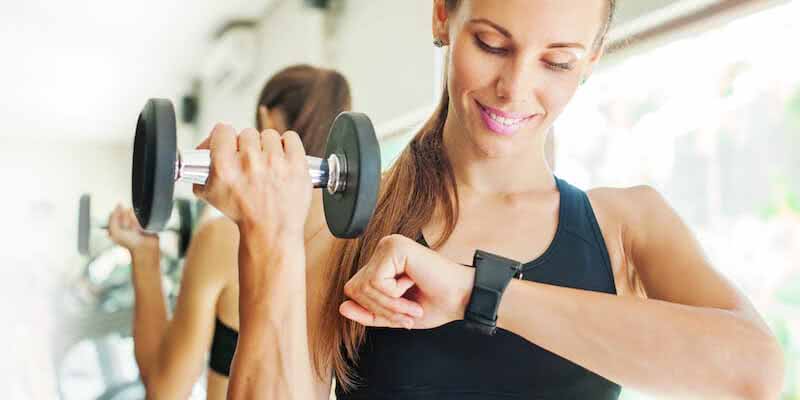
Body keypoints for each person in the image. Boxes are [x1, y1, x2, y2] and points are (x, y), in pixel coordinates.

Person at [195, 1, 785, 399]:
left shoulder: (626, 227)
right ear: (442, 16)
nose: (515, 88)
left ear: (591, 59)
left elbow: (753, 372)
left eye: (557, 61)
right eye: (492, 44)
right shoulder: (343, 229)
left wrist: (473, 293)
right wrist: (269, 239)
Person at [107, 64, 352, 400]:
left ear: (267, 120)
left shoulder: (224, 238)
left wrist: (144, 255)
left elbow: (165, 390)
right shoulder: (357, 248)